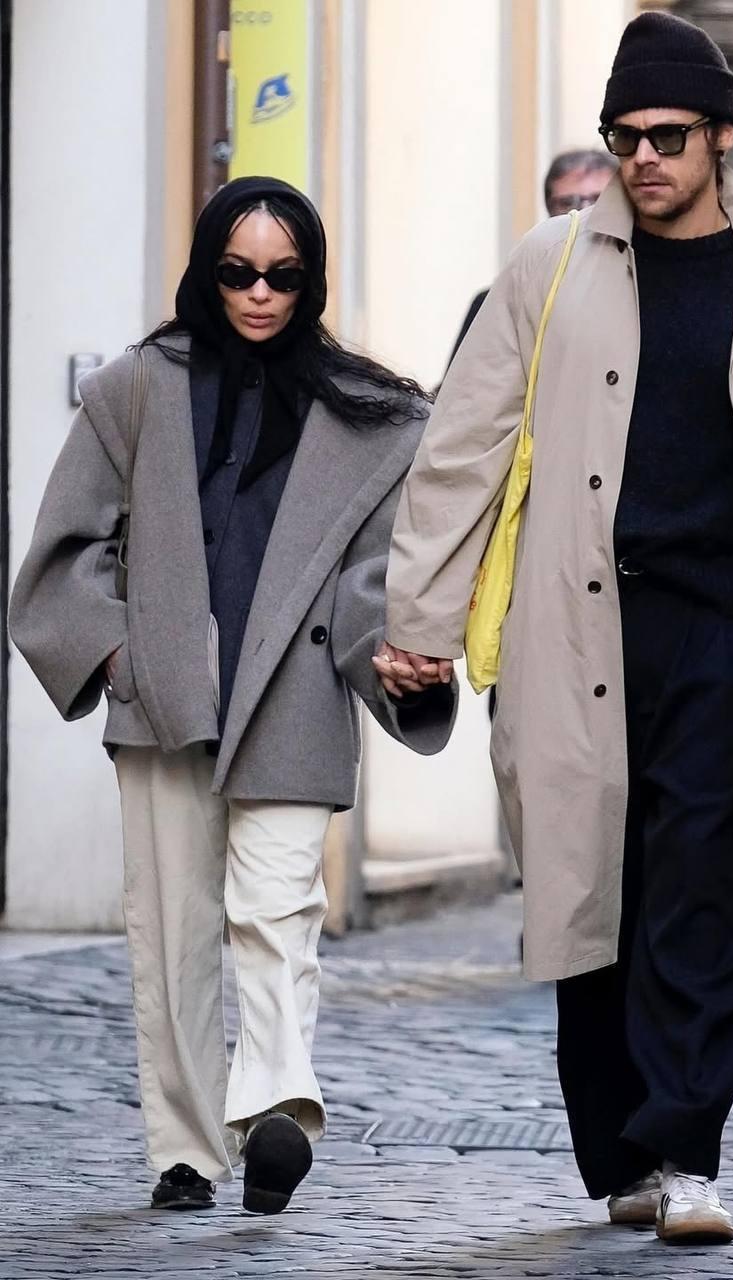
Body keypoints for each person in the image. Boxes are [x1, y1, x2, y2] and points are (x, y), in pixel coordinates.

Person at [382, 11, 733, 1246]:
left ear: (723, 136)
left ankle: (687, 1152)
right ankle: (621, 1145)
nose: (644, 158)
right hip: (575, 632)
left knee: (704, 900)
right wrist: (419, 619)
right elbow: (462, 450)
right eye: (625, 138)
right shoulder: (548, 267)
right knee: (592, 892)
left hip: (727, 636)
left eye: (668, 136)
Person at [9, 177, 453, 1216]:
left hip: (294, 688)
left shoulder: (371, 417)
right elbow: (68, 551)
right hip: (168, 696)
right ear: (206, 272)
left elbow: (372, 579)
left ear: (312, 282)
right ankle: (186, 1148)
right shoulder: (135, 389)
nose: (260, 293)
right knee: (171, 934)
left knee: (278, 911)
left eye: (284, 276)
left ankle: (275, 1112)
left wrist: (390, 652)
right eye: (238, 272)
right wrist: (119, 657)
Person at [447, 148, 618, 364]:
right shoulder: (504, 303)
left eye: (598, 200)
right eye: (568, 203)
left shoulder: (643, 293)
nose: (583, 212)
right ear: (549, 209)